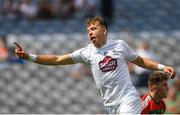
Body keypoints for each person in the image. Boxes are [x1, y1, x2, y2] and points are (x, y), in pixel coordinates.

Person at [14, 16, 176, 114]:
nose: (90, 32)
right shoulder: (87, 52)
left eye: (93, 28)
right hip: (110, 105)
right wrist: (29, 56)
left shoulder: (119, 45)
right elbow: (57, 59)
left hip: (128, 99)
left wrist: (162, 67)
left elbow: (140, 61)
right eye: (88, 30)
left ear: (104, 30)